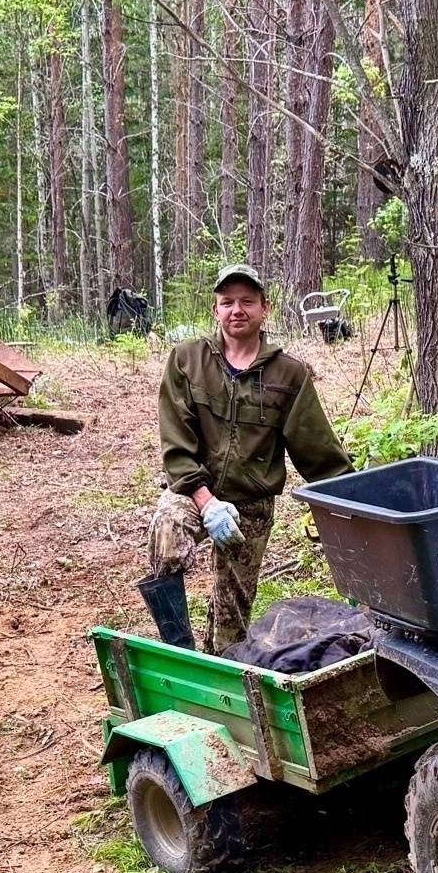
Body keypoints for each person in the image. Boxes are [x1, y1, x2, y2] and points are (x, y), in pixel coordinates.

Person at [143, 264, 351, 652]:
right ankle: (178, 647)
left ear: (264, 308)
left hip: (251, 505)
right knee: (167, 527)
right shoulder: (187, 360)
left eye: (247, 302)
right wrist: (206, 503)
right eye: (227, 302)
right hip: (194, 492)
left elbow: (318, 451)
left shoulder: (289, 374)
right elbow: (176, 444)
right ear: (215, 310)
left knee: (232, 615)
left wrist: (349, 503)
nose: (237, 309)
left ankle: (219, 667)